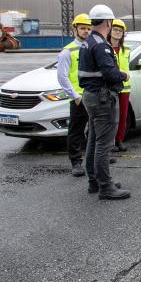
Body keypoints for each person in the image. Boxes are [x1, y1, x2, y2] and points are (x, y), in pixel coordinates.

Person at [78, 4, 130, 200]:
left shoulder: (88, 41)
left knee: (93, 140)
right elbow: (110, 73)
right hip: (102, 97)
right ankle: (105, 186)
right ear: (108, 22)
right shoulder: (100, 45)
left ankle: (95, 181)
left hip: (91, 95)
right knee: (103, 143)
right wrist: (123, 75)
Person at [57, 13, 93, 176]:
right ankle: (76, 162)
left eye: (88, 28)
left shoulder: (92, 47)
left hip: (94, 95)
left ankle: (95, 157)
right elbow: (62, 77)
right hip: (79, 98)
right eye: (82, 28)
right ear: (75, 30)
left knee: (96, 129)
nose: (86, 31)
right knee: (76, 131)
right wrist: (75, 96)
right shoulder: (68, 51)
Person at [109, 18, 131, 152]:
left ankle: (119, 140)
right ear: (110, 31)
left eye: (120, 31)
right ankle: (110, 143)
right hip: (110, 87)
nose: (117, 32)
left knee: (123, 116)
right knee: (110, 118)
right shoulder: (105, 48)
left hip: (125, 87)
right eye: (115, 30)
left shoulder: (126, 49)